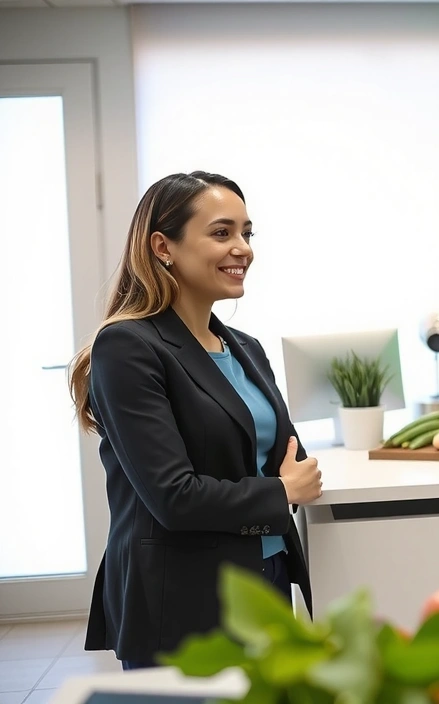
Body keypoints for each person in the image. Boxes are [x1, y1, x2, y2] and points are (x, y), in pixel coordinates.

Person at [68, 171, 324, 669]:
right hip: (182, 597)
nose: (243, 248)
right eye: (222, 233)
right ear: (163, 246)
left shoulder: (244, 347)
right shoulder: (127, 347)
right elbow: (174, 497)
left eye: (248, 233)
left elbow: (277, 454)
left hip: (264, 576)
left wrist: (289, 480)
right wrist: (281, 491)